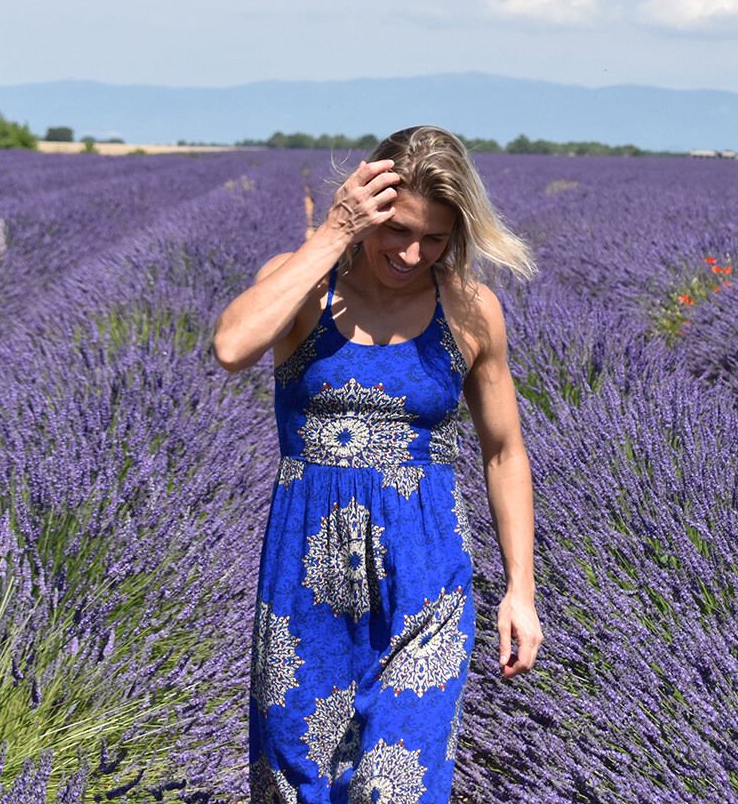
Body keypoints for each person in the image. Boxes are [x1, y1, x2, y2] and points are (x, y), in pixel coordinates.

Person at [212, 125, 543, 804]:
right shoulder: (304, 286)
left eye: (435, 238)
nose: (412, 252)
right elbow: (232, 346)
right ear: (366, 206)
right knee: (293, 780)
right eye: (398, 229)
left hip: (426, 573)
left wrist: (520, 590)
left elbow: (505, 451)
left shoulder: (471, 310)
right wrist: (332, 234)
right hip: (308, 576)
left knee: (396, 784)